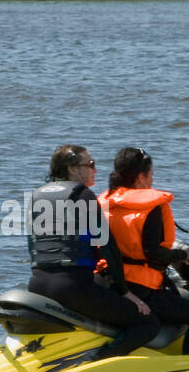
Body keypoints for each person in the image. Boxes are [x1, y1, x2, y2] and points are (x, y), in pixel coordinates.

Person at [27, 144, 160, 360]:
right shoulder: (83, 195)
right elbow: (107, 247)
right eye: (90, 164)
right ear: (72, 169)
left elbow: (33, 246)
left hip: (37, 284)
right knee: (147, 322)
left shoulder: (37, 196)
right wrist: (125, 291)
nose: (95, 170)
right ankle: (100, 363)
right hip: (72, 286)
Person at [98, 147, 189, 356]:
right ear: (141, 177)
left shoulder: (104, 202)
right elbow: (153, 253)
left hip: (110, 282)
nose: (152, 180)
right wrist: (185, 255)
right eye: (151, 174)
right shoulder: (151, 206)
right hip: (141, 288)